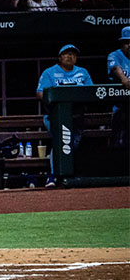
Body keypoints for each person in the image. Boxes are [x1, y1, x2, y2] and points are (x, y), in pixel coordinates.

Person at [36, 44, 93, 187]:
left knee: (73, 145)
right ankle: (53, 176)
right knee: (60, 143)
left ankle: (69, 176)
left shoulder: (83, 72)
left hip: (77, 116)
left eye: (73, 54)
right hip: (56, 116)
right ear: (60, 57)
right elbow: (40, 93)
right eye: (66, 54)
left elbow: (92, 91)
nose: (70, 56)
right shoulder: (50, 72)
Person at [107, 26, 130, 149]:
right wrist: (124, 79)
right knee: (119, 141)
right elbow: (116, 68)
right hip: (121, 105)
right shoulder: (115, 55)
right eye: (127, 42)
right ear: (122, 44)